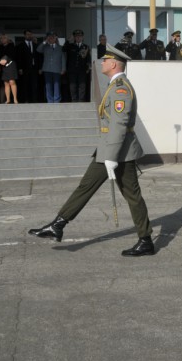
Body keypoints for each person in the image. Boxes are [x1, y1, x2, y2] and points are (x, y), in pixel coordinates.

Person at [28, 44, 155, 256]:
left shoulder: (121, 88)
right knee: (86, 187)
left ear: (114, 64)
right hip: (108, 149)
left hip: (118, 152)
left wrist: (112, 157)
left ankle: (146, 240)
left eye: (105, 60)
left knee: (132, 196)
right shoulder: (115, 85)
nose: (102, 62)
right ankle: (57, 224)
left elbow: (119, 124)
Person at [37, 32, 66, 103]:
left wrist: (63, 68)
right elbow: (38, 50)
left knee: (57, 84)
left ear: (55, 38)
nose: (51, 39)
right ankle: (49, 100)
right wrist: (45, 42)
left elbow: (63, 58)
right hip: (47, 69)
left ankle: (56, 100)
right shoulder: (45, 47)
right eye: (49, 37)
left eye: (53, 37)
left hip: (57, 69)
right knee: (48, 85)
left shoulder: (60, 47)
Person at [65, 29, 91, 102]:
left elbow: (88, 58)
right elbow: (63, 49)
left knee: (82, 86)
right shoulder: (70, 46)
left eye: (80, 36)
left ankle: (81, 100)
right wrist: (68, 40)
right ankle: (74, 100)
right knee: (73, 86)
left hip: (82, 70)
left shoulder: (86, 47)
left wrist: (88, 68)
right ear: (74, 37)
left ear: (82, 37)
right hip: (72, 70)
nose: (78, 38)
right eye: (76, 36)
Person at [16, 29, 41, 103]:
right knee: (25, 85)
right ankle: (26, 99)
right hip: (25, 68)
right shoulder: (20, 45)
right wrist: (20, 68)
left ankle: (34, 100)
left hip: (34, 68)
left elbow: (38, 57)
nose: (29, 36)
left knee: (34, 85)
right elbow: (19, 57)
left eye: (30, 34)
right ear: (24, 35)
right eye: (27, 34)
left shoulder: (35, 45)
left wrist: (39, 68)